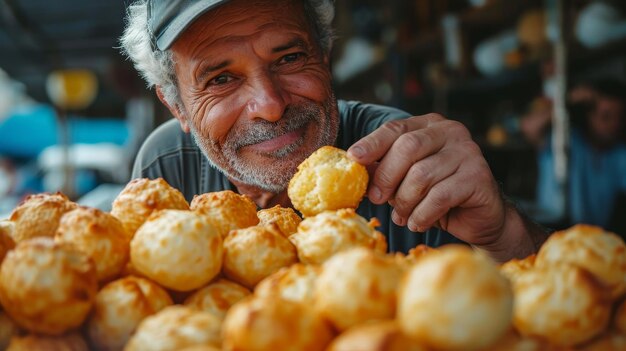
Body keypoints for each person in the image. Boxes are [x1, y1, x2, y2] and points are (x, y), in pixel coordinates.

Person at [120, 0, 549, 262]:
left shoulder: (405, 160)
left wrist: (504, 236)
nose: (270, 106)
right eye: (220, 80)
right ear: (176, 106)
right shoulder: (166, 174)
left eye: (288, 58)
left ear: (325, 57)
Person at [521, 78, 626, 230]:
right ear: (589, 116)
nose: (614, 125)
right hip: (546, 233)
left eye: (621, 118)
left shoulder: (619, 155)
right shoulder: (565, 139)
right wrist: (568, 99)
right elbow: (530, 127)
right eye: (606, 117)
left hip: (590, 242)